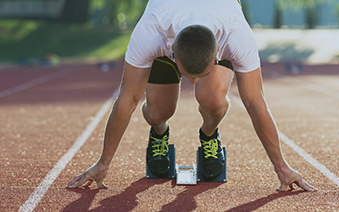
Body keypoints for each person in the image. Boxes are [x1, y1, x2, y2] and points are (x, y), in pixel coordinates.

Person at [67, 0, 317, 191]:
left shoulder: (236, 35)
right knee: (159, 111)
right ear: (171, 54)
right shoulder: (151, 32)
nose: (194, 82)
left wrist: (282, 168)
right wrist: (103, 163)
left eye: (200, 74)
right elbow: (128, 99)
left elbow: (255, 102)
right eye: (188, 75)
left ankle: (209, 136)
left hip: (217, 21)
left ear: (218, 55)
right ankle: (159, 132)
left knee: (213, 100)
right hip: (167, 19)